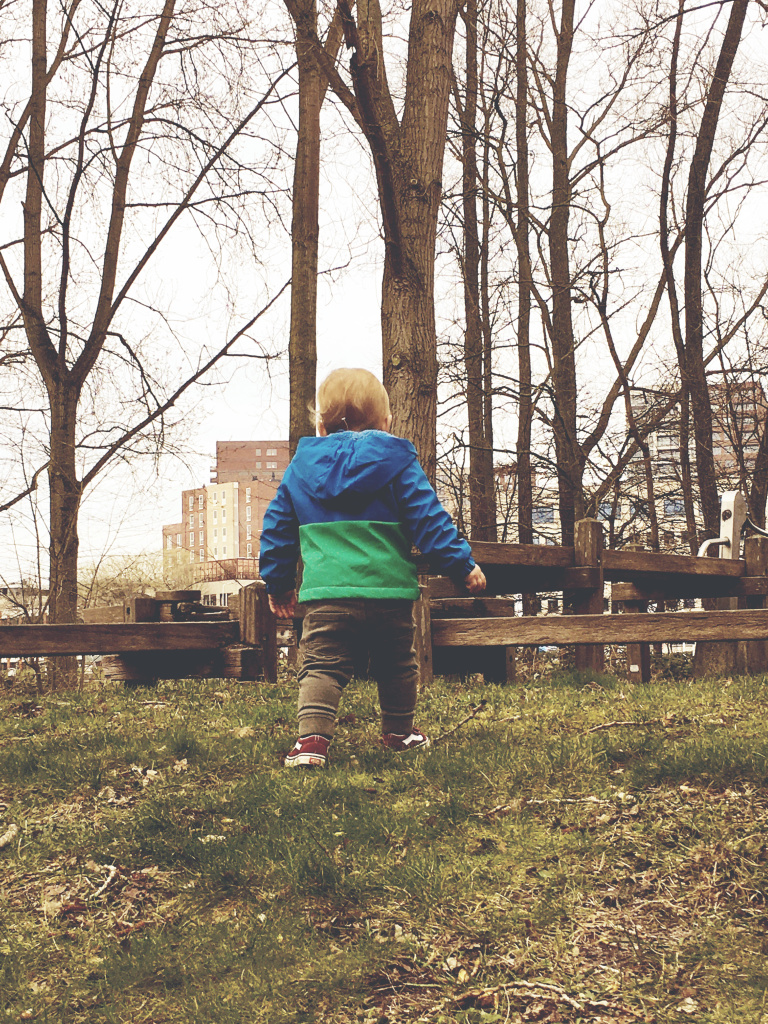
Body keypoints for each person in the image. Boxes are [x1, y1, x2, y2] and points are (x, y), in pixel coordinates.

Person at [259, 368, 486, 768]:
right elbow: (428, 519)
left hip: (328, 595)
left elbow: (277, 525)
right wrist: (461, 565)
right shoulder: (397, 463)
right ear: (386, 422)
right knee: (397, 663)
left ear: (320, 424)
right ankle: (400, 733)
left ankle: (311, 742)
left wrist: (278, 584)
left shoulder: (301, 467)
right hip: (389, 594)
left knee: (321, 664)